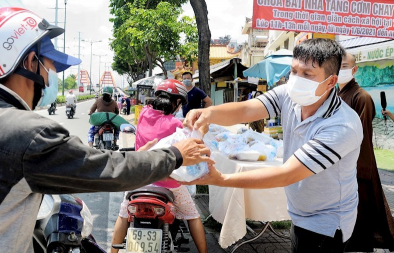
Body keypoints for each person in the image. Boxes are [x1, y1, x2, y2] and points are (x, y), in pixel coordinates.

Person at [0, 7, 214, 253]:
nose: (52, 76)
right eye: (50, 65)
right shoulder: (26, 132)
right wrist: (175, 155)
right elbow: (111, 169)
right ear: (29, 63)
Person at [184, 39, 364, 253]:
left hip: (326, 222)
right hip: (299, 212)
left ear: (331, 81)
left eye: (307, 74)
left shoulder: (342, 126)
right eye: (294, 71)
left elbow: (286, 174)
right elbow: (247, 110)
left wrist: (222, 179)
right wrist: (208, 114)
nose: (297, 79)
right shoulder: (289, 95)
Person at [111, 79, 208, 253]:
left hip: (138, 179)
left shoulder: (142, 115)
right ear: (176, 102)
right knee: (193, 216)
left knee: (124, 215)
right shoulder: (176, 125)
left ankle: (112, 251)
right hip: (169, 183)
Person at [337, 53, 394, 252]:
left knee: (360, 218)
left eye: (344, 66)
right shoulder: (336, 95)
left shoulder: (362, 97)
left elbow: (360, 139)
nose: (339, 69)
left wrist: (354, 168)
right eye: (337, 65)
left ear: (354, 69)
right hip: (340, 164)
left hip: (356, 165)